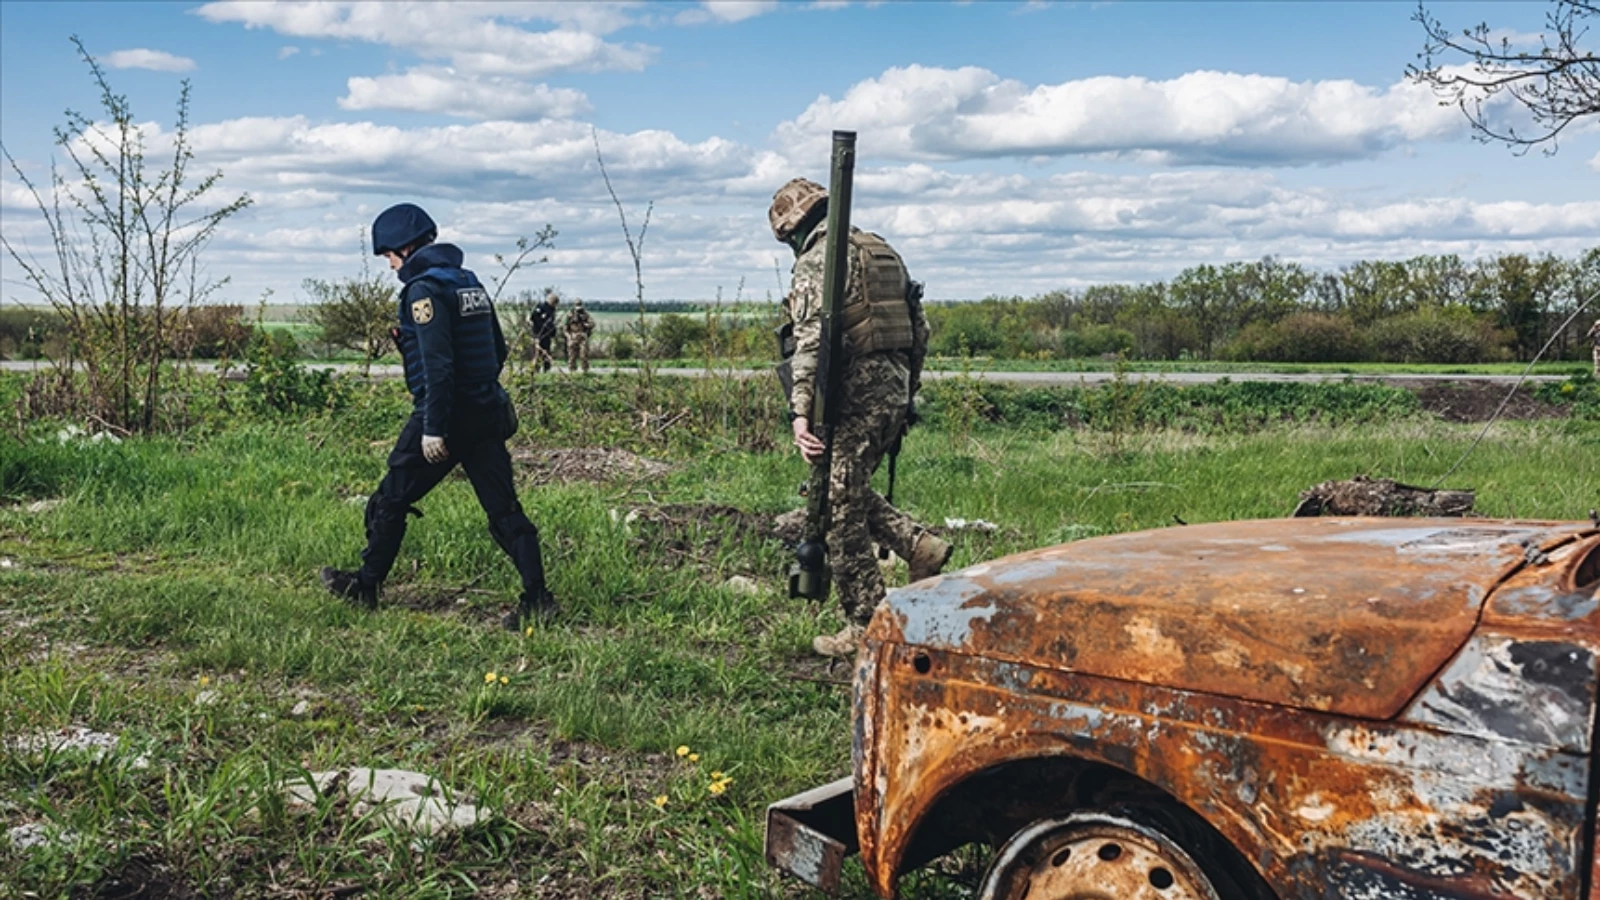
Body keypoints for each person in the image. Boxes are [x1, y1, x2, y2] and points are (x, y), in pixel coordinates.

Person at [321, 203, 559, 631]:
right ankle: (538, 598)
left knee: (390, 497)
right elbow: (498, 350)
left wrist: (434, 428)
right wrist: (478, 391)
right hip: (486, 410)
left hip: (446, 414)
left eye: (389, 254)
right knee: (504, 510)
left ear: (406, 246)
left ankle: (367, 586)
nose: (389, 263)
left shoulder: (423, 290)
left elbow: (438, 366)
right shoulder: (470, 283)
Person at [769, 177, 952, 657]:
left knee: (840, 511)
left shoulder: (820, 262)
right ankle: (919, 546)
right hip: (891, 386)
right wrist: (907, 390)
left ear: (795, 227)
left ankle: (868, 624)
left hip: (852, 394)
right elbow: (919, 328)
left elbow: (809, 339)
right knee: (844, 489)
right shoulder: (880, 251)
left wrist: (800, 412)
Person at [529, 290, 560, 372]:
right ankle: (535, 370)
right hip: (539, 334)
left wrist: (552, 331)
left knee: (546, 352)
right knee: (538, 353)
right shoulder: (541, 307)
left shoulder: (552, 309)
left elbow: (551, 323)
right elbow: (533, 319)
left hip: (547, 335)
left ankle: (547, 369)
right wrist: (538, 332)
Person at [565, 298, 596, 373]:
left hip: (582, 336)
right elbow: (565, 328)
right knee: (572, 356)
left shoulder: (585, 314)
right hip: (573, 336)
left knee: (583, 355)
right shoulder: (570, 314)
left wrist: (586, 325)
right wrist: (569, 337)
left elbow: (593, 324)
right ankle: (572, 371)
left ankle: (585, 371)